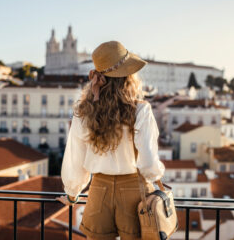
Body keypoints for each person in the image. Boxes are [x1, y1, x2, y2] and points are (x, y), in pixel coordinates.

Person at [56, 41, 165, 240]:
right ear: (129, 77)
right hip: (134, 191)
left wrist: (72, 193)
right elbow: (148, 161)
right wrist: (157, 179)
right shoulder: (141, 110)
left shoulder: (84, 112)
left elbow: (75, 158)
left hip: (98, 191)